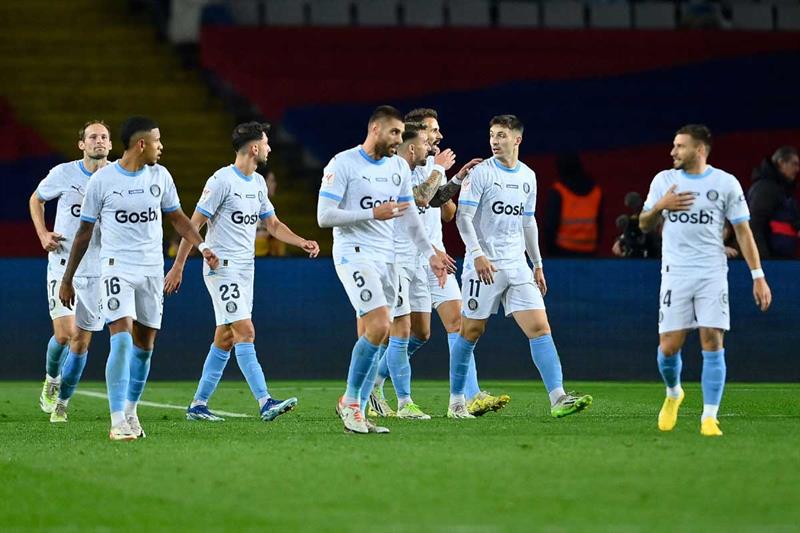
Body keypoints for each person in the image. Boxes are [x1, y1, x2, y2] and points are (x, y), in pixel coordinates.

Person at [59, 116, 219, 441]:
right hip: (116, 266)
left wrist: (202, 245)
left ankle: (131, 411)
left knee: (145, 345)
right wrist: (67, 278)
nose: (162, 147)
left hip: (151, 270)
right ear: (142, 144)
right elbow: (83, 233)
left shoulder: (160, 176)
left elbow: (178, 219)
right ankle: (117, 420)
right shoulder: (102, 182)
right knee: (120, 336)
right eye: (158, 142)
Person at [164, 122, 319, 422]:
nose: (270, 148)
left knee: (225, 338)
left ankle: (198, 405)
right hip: (221, 269)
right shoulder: (221, 181)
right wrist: (179, 265)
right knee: (245, 331)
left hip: (246, 270)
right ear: (254, 148)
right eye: (266, 143)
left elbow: (272, 225)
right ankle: (265, 401)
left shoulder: (258, 183)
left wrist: (301, 241)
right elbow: (192, 225)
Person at [369, 107, 508, 418]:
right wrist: (440, 172)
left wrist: (455, 178)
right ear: (415, 136)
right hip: (405, 258)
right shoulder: (397, 166)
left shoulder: (428, 165)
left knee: (456, 323)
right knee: (412, 332)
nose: (439, 136)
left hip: (434, 257)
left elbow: (442, 208)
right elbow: (417, 200)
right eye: (433, 131)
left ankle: (466, 397)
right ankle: (377, 387)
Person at [316, 105, 447, 434]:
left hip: (387, 257)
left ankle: (357, 407)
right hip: (354, 254)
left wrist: (430, 253)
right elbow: (324, 216)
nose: (399, 140)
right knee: (378, 324)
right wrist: (373, 214)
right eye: (394, 133)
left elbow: (410, 215)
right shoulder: (343, 163)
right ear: (375, 129)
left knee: (379, 333)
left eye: (402, 135)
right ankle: (351, 402)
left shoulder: (397, 169)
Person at [451, 115, 592, 419]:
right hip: (484, 266)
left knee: (540, 328)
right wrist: (475, 254)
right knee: (471, 331)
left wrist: (537, 264)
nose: (495, 141)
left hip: (517, 265)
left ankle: (558, 398)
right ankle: (456, 402)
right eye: (491, 135)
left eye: (501, 135)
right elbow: (463, 218)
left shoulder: (528, 175)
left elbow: (528, 221)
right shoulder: (480, 174)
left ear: (517, 139)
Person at [639, 124, 772, 437]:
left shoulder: (724, 183)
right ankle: (674, 393)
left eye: (679, 146)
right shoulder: (664, 181)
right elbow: (644, 224)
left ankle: (709, 418)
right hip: (676, 273)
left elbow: (742, 230)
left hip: (712, 272)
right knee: (669, 348)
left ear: (699, 150)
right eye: (673, 146)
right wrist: (660, 207)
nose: (673, 152)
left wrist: (758, 276)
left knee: (712, 339)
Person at [29, 121, 110, 422]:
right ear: (82, 144)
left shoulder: (115, 177)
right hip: (63, 264)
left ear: (111, 144)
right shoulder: (64, 173)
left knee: (82, 342)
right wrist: (43, 234)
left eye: (104, 137)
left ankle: (62, 402)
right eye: (92, 137)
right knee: (65, 334)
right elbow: (36, 200)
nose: (98, 141)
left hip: (98, 271)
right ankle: (51, 379)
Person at [544, 153, 602, 256]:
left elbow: (550, 225)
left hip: (562, 252)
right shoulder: (596, 192)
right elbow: (600, 224)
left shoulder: (558, 191)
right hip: (590, 252)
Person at [747, 146, 799, 258]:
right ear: (781, 163)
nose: (797, 169)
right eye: (794, 164)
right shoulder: (765, 188)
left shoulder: (783, 190)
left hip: (782, 259)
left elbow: (788, 218)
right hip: (771, 261)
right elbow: (755, 225)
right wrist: (763, 259)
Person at [255, 168, 287, 257]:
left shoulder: (267, 208)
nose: (275, 184)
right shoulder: (250, 206)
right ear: (262, 183)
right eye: (272, 181)